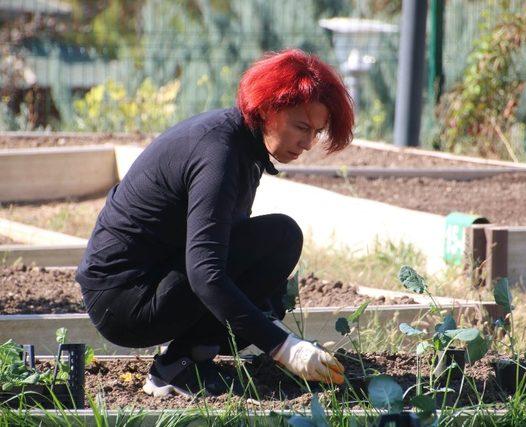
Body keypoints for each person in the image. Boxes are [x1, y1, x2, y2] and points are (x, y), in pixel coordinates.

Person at [76, 49, 355, 397]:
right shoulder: (218, 153)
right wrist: (284, 347)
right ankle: (179, 368)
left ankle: (182, 363)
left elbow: (228, 245)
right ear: (269, 109)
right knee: (277, 238)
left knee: (279, 240)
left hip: (150, 282)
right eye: (301, 127)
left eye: (317, 132)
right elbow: (205, 273)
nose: (308, 143)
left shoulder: (244, 145)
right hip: (123, 302)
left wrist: (261, 305)